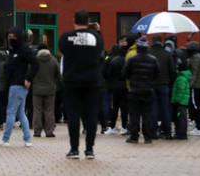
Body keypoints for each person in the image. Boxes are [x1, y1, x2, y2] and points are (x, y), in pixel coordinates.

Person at [58, 10, 104, 160]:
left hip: (72, 82)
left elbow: (63, 51)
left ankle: (74, 149)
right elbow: (100, 51)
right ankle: (89, 150)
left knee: (73, 116)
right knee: (91, 116)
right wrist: (97, 31)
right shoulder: (96, 37)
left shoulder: (65, 37)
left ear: (74, 20)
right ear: (88, 21)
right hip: (92, 81)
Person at [0, 27, 39, 147]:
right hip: (16, 85)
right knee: (20, 112)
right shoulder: (14, 50)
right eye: (9, 36)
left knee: (10, 112)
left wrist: (29, 78)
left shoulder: (24, 50)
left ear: (18, 37)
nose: (11, 38)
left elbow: (36, 63)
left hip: (18, 85)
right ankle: (27, 139)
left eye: (13, 36)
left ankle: (5, 139)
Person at [122, 36, 160, 144]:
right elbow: (157, 74)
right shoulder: (153, 59)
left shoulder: (131, 59)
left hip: (134, 90)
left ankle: (134, 137)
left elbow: (125, 73)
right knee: (147, 114)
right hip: (148, 90)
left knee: (134, 114)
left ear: (138, 47)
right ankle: (147, 137)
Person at [149, 35, 176, 139]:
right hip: (164, 84)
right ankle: (168, 132)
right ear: (161, 42)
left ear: (152, 41)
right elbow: (172, 71)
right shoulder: (167, 54)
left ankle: (153, 132)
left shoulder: (149, 53)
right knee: (166, 109)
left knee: (153, 109)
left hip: (151, 85)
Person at [32, 43, 59, 138]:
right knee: (49, 111)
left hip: (36, 90)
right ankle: (49, 131)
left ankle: (37, 131)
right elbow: (58, 74)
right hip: (50, 89)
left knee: (37, 111)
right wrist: (53, 82)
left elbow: (30, 73)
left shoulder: (34, 60)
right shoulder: (53, 60)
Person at [103, 43, 128, 135]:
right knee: (124, 108)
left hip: (115, 86)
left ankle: (112, 127)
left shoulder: (113, 61)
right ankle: (124, 127)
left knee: (115, 107)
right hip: (125, 86)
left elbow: (108, 74)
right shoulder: (127, 60)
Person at [187, 41, 200, 136]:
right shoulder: (199, 56)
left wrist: (190, 85)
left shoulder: (195, 58)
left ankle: (199, 127)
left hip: (195, 86)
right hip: (199, 85)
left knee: (195, 106)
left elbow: (194, 73)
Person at [171, 61, 191, 139]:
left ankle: (180, 134)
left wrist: (177, 101)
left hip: (180, 102)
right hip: (184, 102)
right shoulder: (185, 77)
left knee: (180, 119)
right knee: (183, 118)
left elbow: (180, 91)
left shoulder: (180, 78)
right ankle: (182, 133)